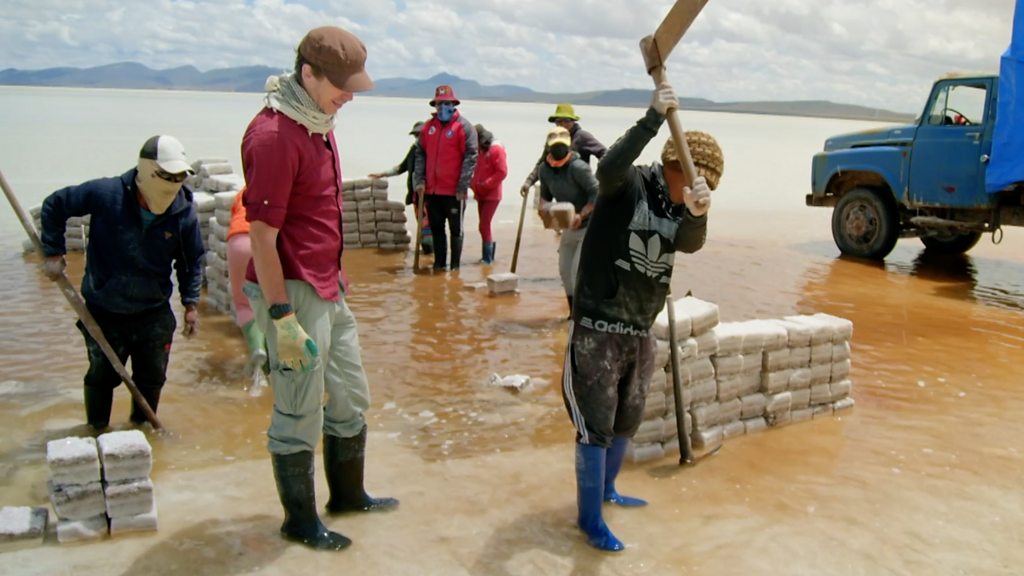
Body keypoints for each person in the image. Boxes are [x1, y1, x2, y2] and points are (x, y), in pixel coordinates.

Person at [240, 25, 398, 552]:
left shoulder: (319, 119)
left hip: (328, 282)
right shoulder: (274, 136)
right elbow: (261, 236)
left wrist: (337, 282)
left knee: (351, 395)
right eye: (342, 85)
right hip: (290, 286)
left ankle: (348, 496)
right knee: (298, 408)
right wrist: (281, 318)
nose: (350, 95)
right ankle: (299, 522)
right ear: (308, 74)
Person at [563, 83, 720, 552]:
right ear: (675, 166)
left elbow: (690, 243)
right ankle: (588, 521)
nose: (694, 188)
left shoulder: (679, 206)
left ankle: (608, 491)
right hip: (597, 326)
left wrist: (698, 212)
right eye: (694, 178)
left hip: (638, 329)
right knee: (594, 425)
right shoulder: (629, 185)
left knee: (626, 418)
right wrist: (652, 118)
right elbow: (609, 166)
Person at [39, 135, 204, 430]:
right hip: (104, 310)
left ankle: (140, 433)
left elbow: (191, 261)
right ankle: (96, 430)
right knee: (102, 376)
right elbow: (54, 205)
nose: (173, 182)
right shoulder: (107, 194)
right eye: (167, 175)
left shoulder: (183, 213)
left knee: (151, 378)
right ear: (147, 169)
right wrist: (53, 251)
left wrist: (190, 304)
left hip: (152, 312)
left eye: (179, 176)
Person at [413, 84, 478, 271]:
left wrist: (462, 185)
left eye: (446, 104)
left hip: (454, 192)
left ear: (453, 104)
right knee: (437, 230)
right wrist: (420, 181)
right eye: (439, 104)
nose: (442, 108)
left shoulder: (464, 127)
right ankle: (439, 265)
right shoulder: (428, 128)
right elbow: (420, 154)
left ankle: (455, 268)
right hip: (432, 190)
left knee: (456, 231)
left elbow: (471, 156)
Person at [537, 126, 598, 316]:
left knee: (576, 272)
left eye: (561, 146)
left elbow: (597, 194)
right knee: (564, 271)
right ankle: (573, 315)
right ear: (548, 147)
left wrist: (583, 215)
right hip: (568, 226)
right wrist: (544, 210)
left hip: (590, 226)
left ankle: (584, 315)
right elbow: (545, 197)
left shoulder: (578, 168)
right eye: (554, 146)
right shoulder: (544, 170)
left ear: (569, 146)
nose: (558, 150)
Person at [368, 121, 434, 256]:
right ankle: (427, 255)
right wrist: (383, 174)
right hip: (416, 194)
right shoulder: (413, 150)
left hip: (428, 195)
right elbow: (401, 167)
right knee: (421, 223)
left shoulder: (431, 151)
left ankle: (432, 254)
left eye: (419, 135)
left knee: (427, 225)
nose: (417, 138)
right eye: (416, 136)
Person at [520, 102, 607, 198]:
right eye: (559, 121)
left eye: (566, 121)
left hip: (582, 190)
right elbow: (542, 162)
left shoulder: (582, 137)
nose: (563, 124)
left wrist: (598, 178)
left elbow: (605, 154)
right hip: (561, 190)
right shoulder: (553, 139)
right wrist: (528, 182)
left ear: (573, 121)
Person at [226, 187, 267, 375]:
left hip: (237, 242)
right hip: (264, 240)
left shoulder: (241, 193)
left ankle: (257, 347)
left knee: (244, 304)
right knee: (272, 300)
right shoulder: (277, 189)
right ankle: (269, 363)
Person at [469, 123, 507, 264]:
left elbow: (502, 172)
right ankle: (489, 256)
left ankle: (488, 258)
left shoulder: (496, 150)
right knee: (484, 225)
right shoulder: (480, 150)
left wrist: (485, 185)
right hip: (480, 193)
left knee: (484, 225)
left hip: (492, 194)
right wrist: (473, 184)